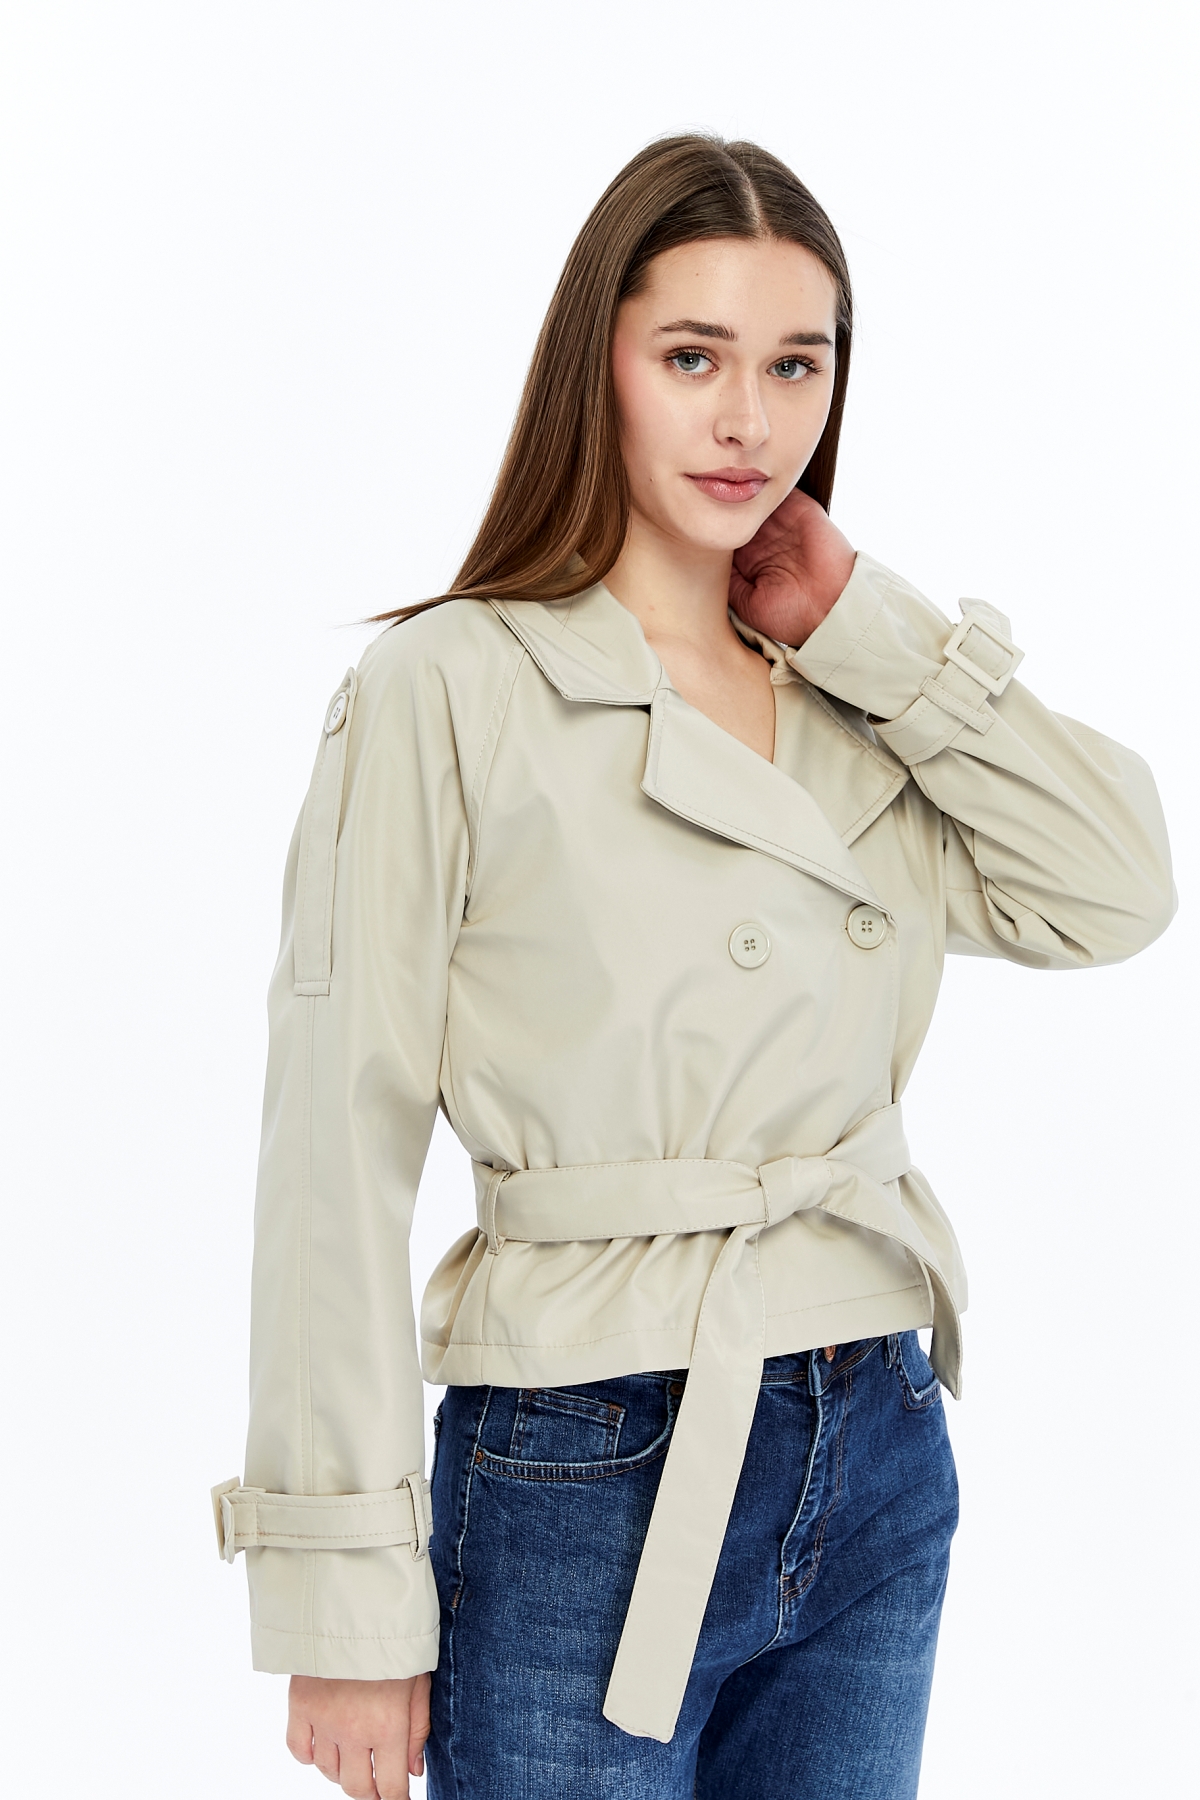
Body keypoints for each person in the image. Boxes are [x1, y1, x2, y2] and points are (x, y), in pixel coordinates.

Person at [211, 135, 1174, 1799]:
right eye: (693, 358)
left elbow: (1116, 889)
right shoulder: (455, 686)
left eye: (797, 364)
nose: (749, 421)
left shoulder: (854, 695)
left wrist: (867, 619)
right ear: (599, 365)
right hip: (583, 1453)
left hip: (873, 1421)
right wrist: (343, 1596)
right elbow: (333, 1154)